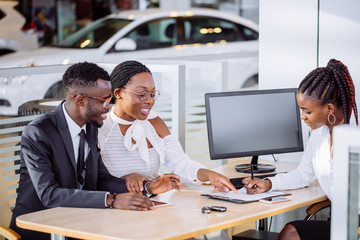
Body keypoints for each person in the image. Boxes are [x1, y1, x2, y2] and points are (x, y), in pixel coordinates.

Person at [9, 62, 181, 240]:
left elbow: (101, 178)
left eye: (109, 98)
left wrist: (148, 187)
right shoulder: (38, 132)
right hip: (41, 228)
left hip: (81, 223)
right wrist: (111, 200)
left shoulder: (90, 127)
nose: (109, 105)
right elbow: (49, 194)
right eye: (103, 100)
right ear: (80, 100)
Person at [243, 59, 358, 240]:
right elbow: (303, 174)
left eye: (307, 111)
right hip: (342, 222)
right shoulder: (319, 136)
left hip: (354, 223)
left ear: (329, 109)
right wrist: (268, 183)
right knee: (291, 232)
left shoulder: (355, 137)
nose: (302, 116)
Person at [98, 60, 238, 194]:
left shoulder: (153, 122)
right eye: (142, 94)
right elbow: (94, 180)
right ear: (118, 93)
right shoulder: (100, 128)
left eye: (152, 94)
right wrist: (121, 180)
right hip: (115, 206)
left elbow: (179, 164)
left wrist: (209, 174)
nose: (149, 101)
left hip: (152, 203)